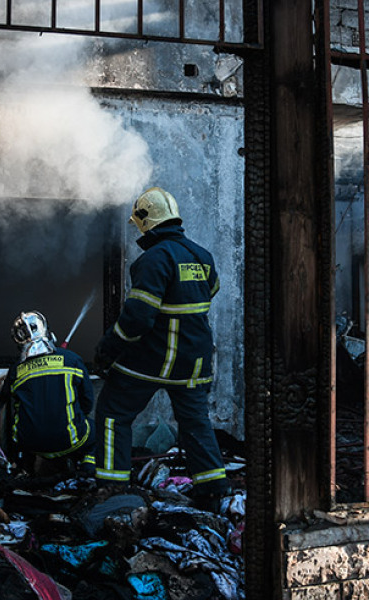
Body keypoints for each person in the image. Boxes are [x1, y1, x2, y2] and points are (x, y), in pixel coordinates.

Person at [93, 187, 229, 504]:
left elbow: (137, 319)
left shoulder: (153, 259)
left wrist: (107, 349)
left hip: (152, 360)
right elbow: (211, 290)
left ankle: (113, 488)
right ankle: (213, 490)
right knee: (196, 423)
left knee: (113, 412)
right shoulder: (202, 256)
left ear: (145, 221)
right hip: (193, 362)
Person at [0, 311, 96, 477]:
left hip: (30, 444)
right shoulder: (72, 360)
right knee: (97, 433)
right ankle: (87, 470)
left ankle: (25, 470)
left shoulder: (16, 370)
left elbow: (8, 404)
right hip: (70, 440)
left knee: (22, 433)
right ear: (47, 332)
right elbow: (87, 402)